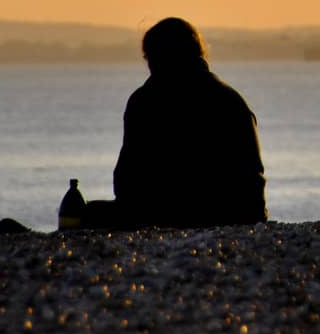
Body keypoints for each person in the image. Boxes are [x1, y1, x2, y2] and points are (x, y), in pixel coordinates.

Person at [80, 17, 268, 228]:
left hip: (164, 215)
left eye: (149, 57)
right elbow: (253, 180)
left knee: (84, 214)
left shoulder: (145, 101)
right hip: (234, 215)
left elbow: (126, 182)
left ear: (158, 58)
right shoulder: (231, 99)